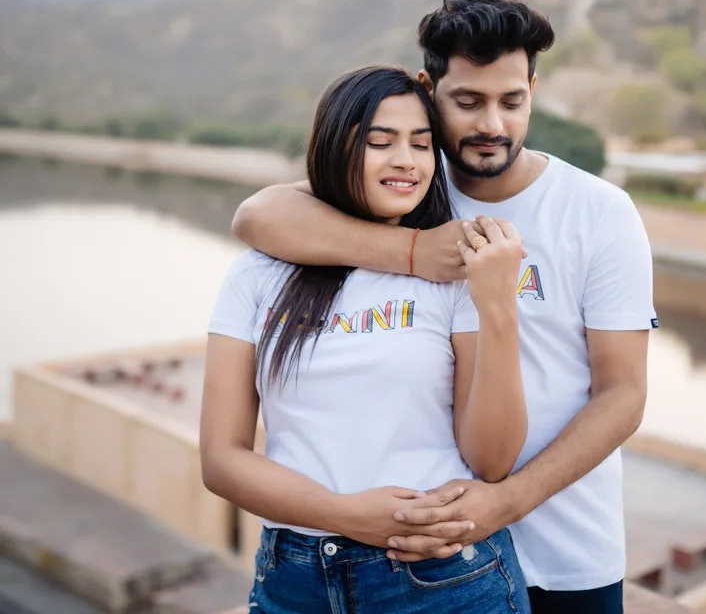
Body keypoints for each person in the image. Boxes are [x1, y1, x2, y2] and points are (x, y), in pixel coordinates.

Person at [231, 0, 657, 614]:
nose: (492, 124)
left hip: (567, 552)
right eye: (468, 101)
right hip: (430, 564)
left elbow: (623, 395)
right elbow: (258, 215)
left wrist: (503, 501)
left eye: (512, 101)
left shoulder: (598, 212)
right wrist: (412, 253)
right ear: (429, 91)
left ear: (533, 92)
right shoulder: (407, 190)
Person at [200, 65, 532, 614]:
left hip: (444, 579)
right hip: (294, 579)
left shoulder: (454, 271)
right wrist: (343, 512)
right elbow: (221, 459)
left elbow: (492, 459)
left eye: (422, 145)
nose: (406, 160)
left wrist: (498, 304)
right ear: (335, 149)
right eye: (381, 142)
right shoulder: (258, 273)